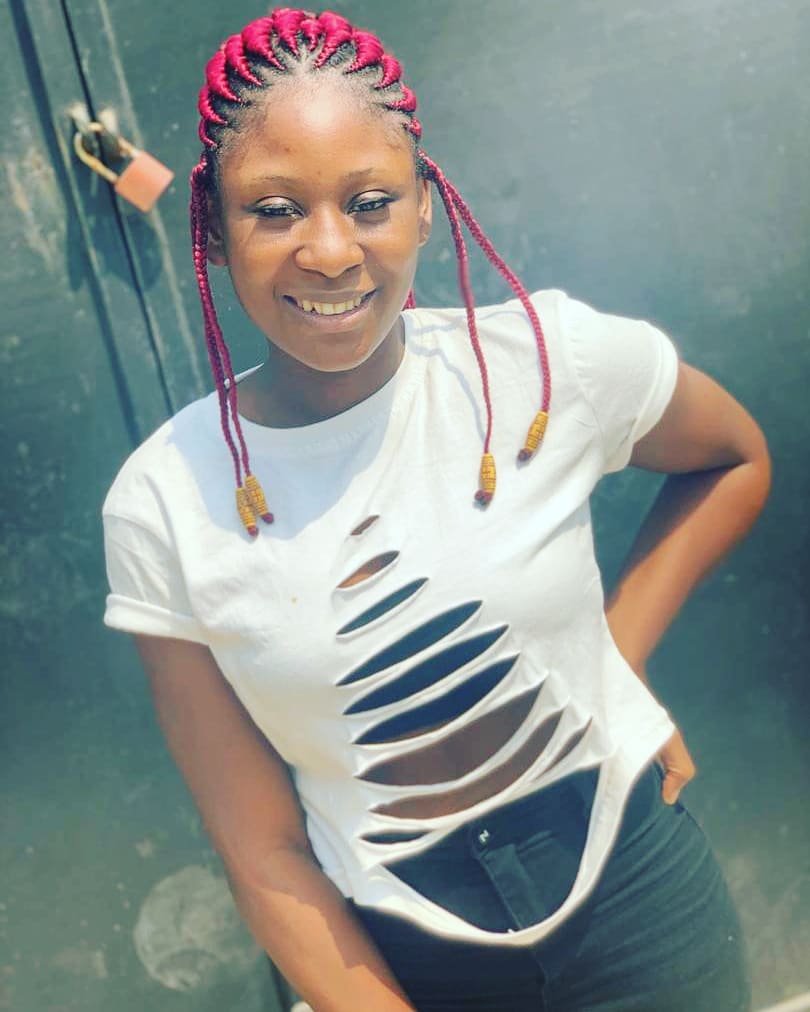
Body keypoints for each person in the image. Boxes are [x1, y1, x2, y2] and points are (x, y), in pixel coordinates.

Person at [102, 9, 770, 1011]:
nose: (330, 251)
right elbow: (262, 850)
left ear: (424, 204)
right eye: (274, 210)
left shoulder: (544, 360)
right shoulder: (164, 501)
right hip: (406, 950)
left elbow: (733, 459)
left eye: (369, 201)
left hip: (643, 896)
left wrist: (611, 662)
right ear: (211, 226)